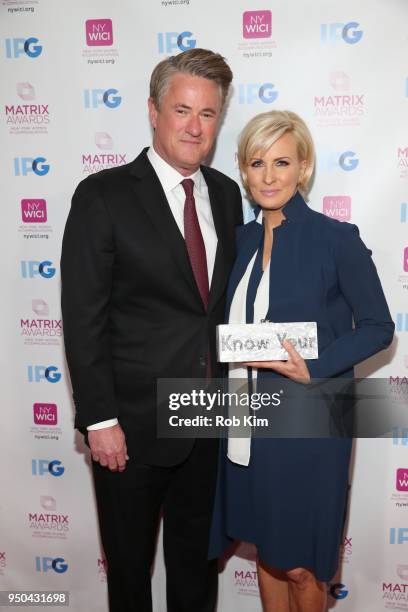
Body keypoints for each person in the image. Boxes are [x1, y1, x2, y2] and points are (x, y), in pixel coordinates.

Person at [61, 48, 243, 612]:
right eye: (182, 109)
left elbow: (223, 309)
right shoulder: (103, 194)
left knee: (197, 573)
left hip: (207, 420)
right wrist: (99, 420)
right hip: (130, 431)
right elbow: (83, 317)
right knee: (130, 578)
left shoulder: (228, 194)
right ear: (153, 111)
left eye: (208, 114)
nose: (195, 126)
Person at [208, 110, 394, 612]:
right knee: (268, 552)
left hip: (311, 427)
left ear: (304, 168)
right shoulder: (239, 242)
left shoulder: (337, 239)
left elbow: (380, 327)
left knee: (301, 564)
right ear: (244, 171)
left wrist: (318, 366)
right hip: (247, 423)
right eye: (257, 162)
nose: (269, 176)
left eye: (282, 162)